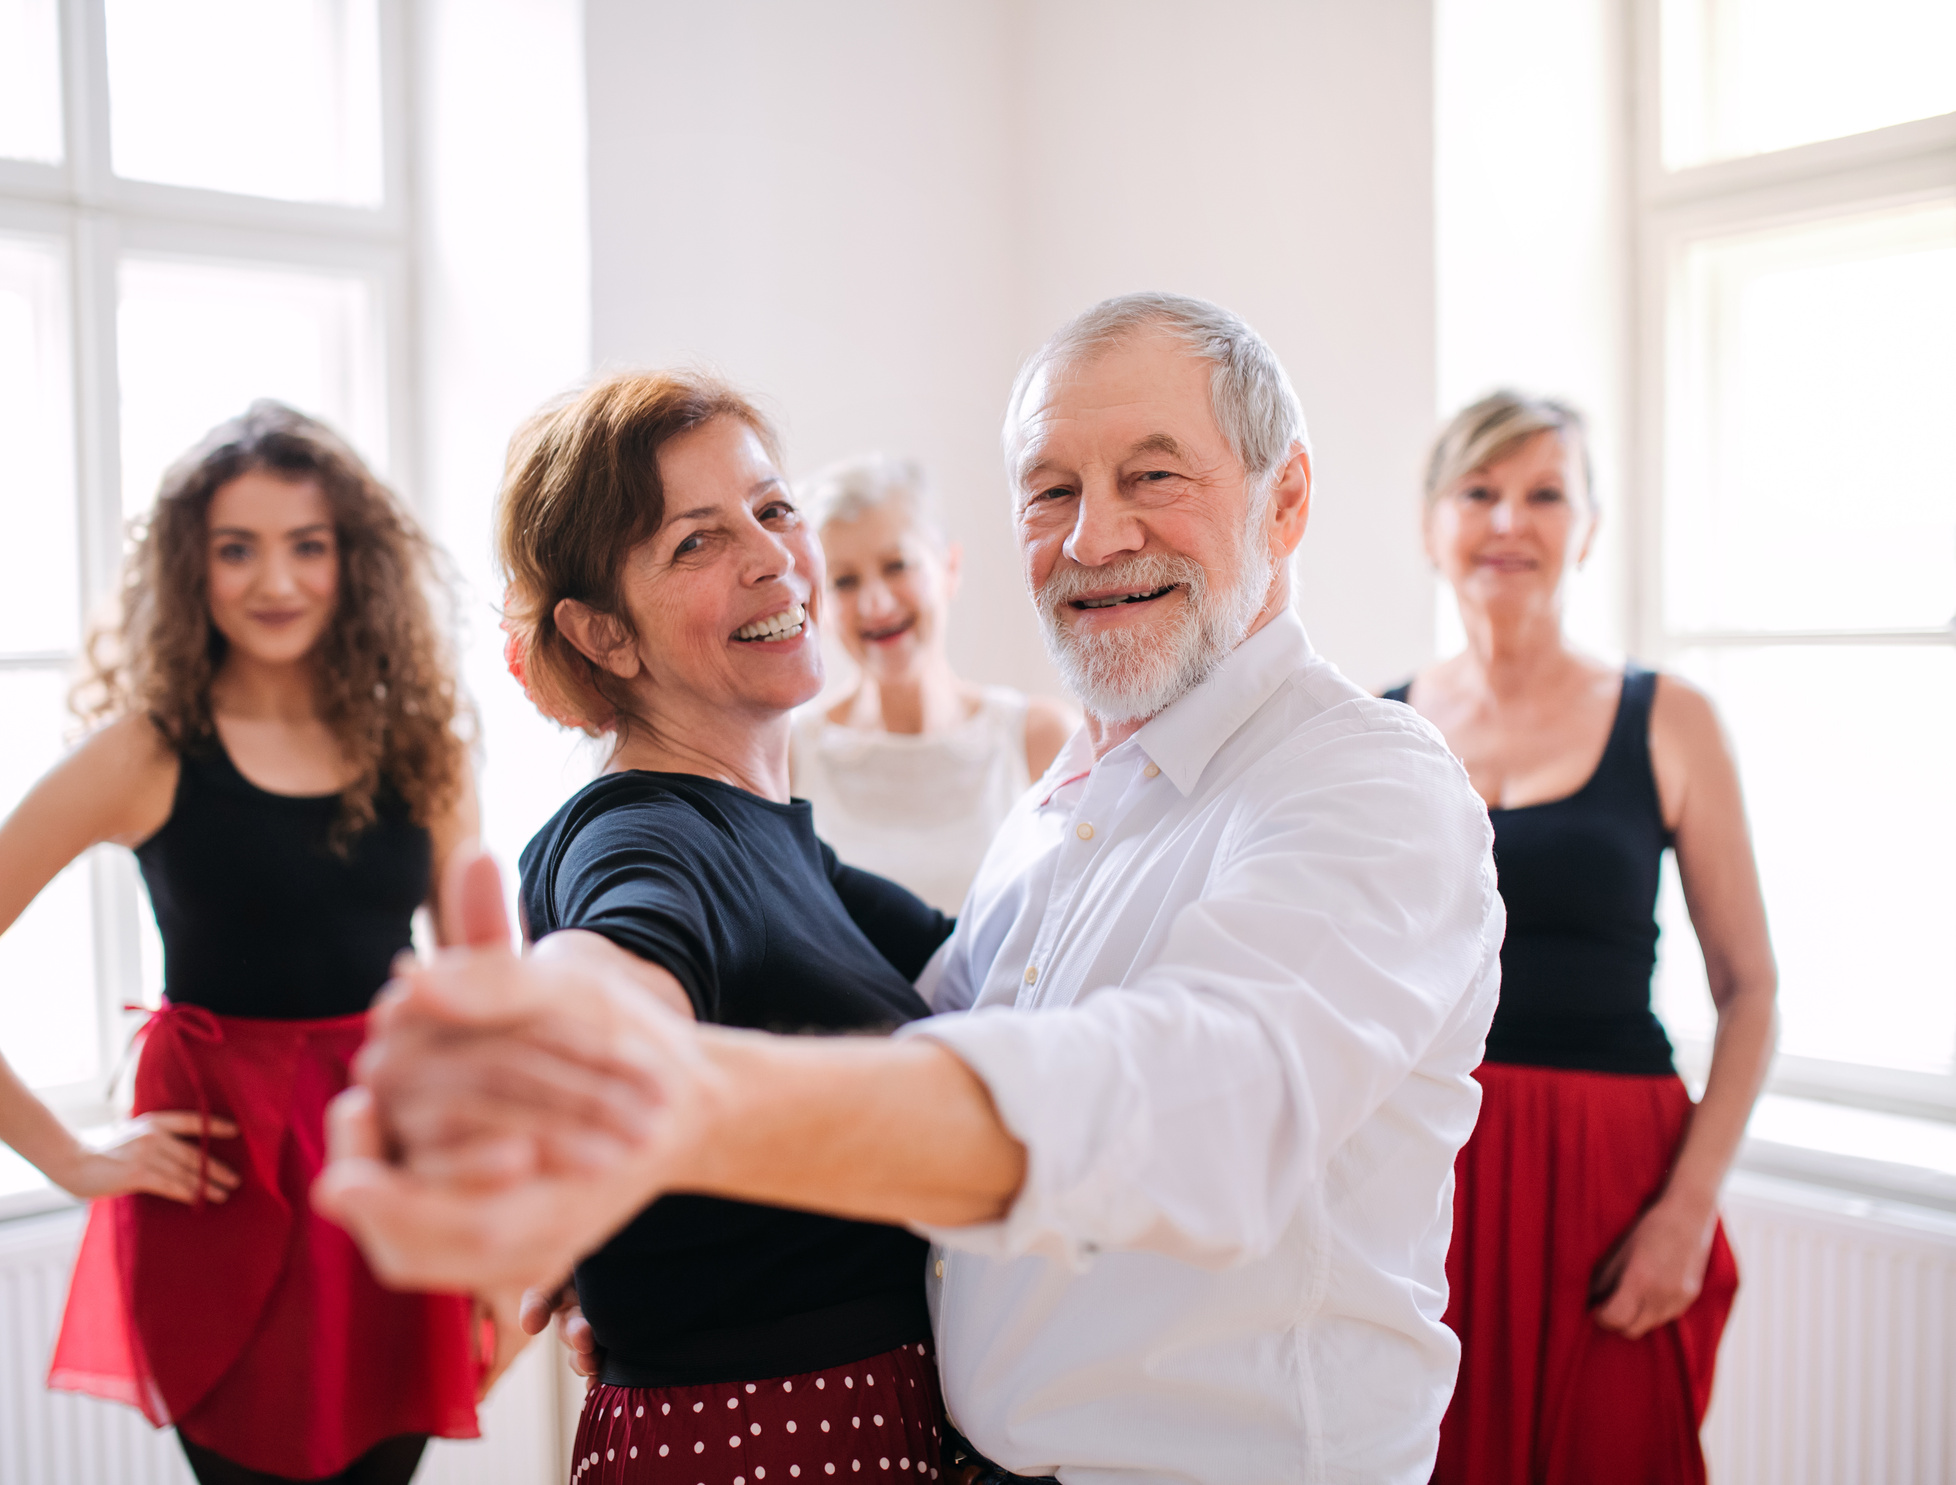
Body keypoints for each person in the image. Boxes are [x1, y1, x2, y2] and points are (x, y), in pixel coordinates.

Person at [319, 292, 1509, 1483]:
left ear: (1283, 498)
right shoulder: (1066, 805)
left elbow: (1189, 1098)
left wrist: (660, 1112)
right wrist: (651, 1210)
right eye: (1051, 491)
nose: (1094, 538)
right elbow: (803, 1001)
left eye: (1153, 477)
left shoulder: (1364, 782)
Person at [0, 402, 500, 1485]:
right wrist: (67, 1156)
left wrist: (502, 1232)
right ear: (190, 567)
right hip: (223, 1188)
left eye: (308, 546)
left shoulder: (420, 745)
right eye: (236, 549)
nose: (277, 581)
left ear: (354, 562)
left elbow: (489, 998)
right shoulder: (145, 752)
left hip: (385, 1158)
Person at [478, 371, 954, 1478]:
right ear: (603, 634)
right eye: (695, 542)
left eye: (773, 508)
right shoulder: (641, 834)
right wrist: (566, 1044)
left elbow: (1014, 967)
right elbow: (614, 964)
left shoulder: (785, 845)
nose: (770, 554)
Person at [1386, 392, 1776, 1485]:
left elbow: (1749, 989)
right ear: (1430, 525)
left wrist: (1686, 1210)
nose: (1508, 520)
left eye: (1543, 493)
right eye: (1478, 492)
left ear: (1587, 527)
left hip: (1614, 1176)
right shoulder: (1375, 732)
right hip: (1426, 1171)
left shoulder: (1670, 718)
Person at [790, 455, 1075, 911]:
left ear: (950, 568)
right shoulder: (789, 757)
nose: (875, 603)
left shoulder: (1043, 740)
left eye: (897, 565)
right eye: (844, 581)